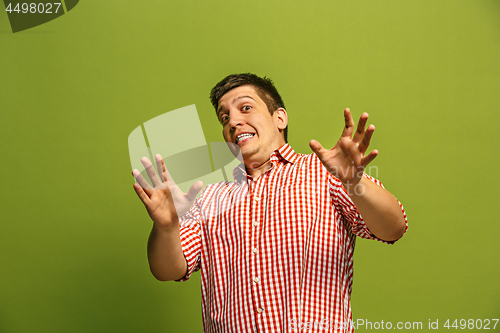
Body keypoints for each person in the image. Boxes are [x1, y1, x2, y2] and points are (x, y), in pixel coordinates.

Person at [132, 73, 407, 333]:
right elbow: (168, 270)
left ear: (280, 118)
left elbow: (393, 228)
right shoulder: (208, 197)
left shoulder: (324, 172)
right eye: (224, 116)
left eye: (246, 108)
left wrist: (354, 183)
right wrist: (167, 227)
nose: (233, 121)